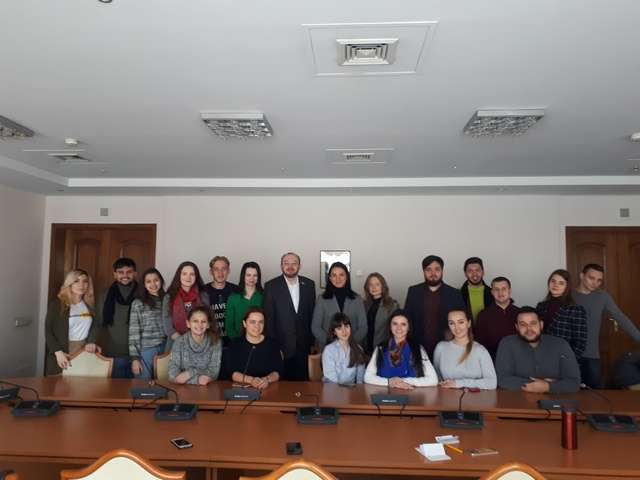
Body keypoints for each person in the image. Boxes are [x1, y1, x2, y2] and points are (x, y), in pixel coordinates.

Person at [574, 263, 640, 388]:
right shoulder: (569, 295)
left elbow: (621, 318)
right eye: (591, 278)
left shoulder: (602, 296)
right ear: (582, 276)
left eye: (599, 280)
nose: (595, 283)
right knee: (569, 394)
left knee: (595, 394)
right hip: (569, 355)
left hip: (592, 355)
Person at [495, 306, 581, 393]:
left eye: (533, 323)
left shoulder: (561, 344)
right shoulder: (507, 343)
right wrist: (543, 385)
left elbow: (574, 383)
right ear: (517, 327)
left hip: (555, 399)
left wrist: (547, 387)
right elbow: (502, 379)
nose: (529, 329)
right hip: (517, 398)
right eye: (523, 324)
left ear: (541, 325)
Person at [264, 252, 316, 380]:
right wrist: (274, 347)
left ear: (300, 266)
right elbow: (269, 320)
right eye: (286, 263)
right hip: (281, 347)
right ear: (281, 266)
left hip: (304, 347)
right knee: (282, 385)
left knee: (303, 384)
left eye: (294, 263)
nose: (290, 266)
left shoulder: (309, 285)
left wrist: (312, 343)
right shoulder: (271, 286)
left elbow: (311, 315)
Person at [404, 255, 466, 359]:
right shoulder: (413, 291)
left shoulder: (455, 294)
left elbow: (463, 321)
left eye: (437, 269)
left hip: (448, 348)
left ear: (442, 271)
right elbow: (406, 320)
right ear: (423, 271)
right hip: (418, 349)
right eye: (429, 269)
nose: (433, 273)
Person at [45, 269, 100, 375]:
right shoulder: (57, 305)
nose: (81, 285)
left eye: (85, 281)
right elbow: (48, 331)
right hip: (63, 351)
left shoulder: (89, 305)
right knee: (59, 383)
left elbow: (95, 326)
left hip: (84, 351)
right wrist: (58, 352)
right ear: (69, 283)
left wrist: (91, 342)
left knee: (81, 383)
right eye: (76, 281)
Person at [364, 310, 438, 388]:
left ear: (409, 327)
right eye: (395, 324)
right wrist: (388, 382)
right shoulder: (380, 348)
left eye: (403, 324)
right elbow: (367, 377)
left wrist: (404, 381)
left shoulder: (417, 348)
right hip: (385, 393)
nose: (399, 328)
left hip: (411, 392)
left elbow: (433, 380)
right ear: (390, 327)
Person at [96, 257, 138, 378]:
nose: (125, 275)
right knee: (116, 388)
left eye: (129, 272)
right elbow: (98, 322)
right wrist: (91, 342)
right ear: (114, 274)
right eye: (120, 272)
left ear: (135, 273)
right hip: (114, 353)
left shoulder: (143, 293)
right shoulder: (105, 294)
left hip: (139, 354)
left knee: (138, 388)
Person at [433, 310, 497, 389]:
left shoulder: (480, 350)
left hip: (475, 396)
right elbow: (437, 379)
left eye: (461, 322)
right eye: (452, 323)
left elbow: (491, 383)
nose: (457, 328)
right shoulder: (441, 348)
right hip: (448, 396)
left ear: (469, 323)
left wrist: (457, 383)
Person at [222, 307, 283, 389]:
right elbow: (231, 372)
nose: (257, 326)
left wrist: (266, 380)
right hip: (242, 391)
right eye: (252, 322)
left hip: (268, 388)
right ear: (244, 324)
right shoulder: (234, 345)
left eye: (261, 322)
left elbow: (278, 371)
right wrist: (251, 380)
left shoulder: (273, 344)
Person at [311, 262, 367, 351]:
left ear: (347, 277)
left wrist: (349, 343)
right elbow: (315, 327)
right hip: (328, 348)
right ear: (330, 278)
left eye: (341, 275)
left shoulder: (357, 299)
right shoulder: (321, 299)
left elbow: (363, 327)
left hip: (353, 348)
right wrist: (333, 344)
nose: (338, 278)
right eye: (334, 275)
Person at [536, 269, 587, 360]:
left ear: (567, 286)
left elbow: (580, 342)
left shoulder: (575, 309)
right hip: (542, 356)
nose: (555, 285)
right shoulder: (541, 306)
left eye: (561, 283)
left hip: (564, 358)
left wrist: (568, 360)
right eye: (553, 281)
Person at [129, 268, 168, 379]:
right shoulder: (138, 303)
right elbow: (133, 332)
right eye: (148, 281)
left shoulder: (168, 300)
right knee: (143, 385)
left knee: (166, 384)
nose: (153, 284)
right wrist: (135, 359)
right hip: (147, 349)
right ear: (144, 284)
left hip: (167, 348)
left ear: (161, 281)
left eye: (156, 280)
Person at [168, 307, 222, 385]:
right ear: (188, 324)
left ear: (208, 325)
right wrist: (198, 380)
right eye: (195, 321)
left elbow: (214, 373)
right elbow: (173, 376)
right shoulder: (179, 342)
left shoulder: (216, 342)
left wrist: (190, 373)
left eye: (203, 321)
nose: (199, 325)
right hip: (182, 389)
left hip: (207, 389)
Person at [164, 261, 210, 351]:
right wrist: (186, 343)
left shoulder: (203, 296)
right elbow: (168, 327)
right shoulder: (169, 297)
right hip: (175, 344)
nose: (188, 277)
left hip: (199, 344)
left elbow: (207, 321)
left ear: (196, 277)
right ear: (179, 276)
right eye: (184, 274)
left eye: (192, 274)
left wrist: (194, 343)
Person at [475, 277, 519, 359]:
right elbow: (479, 344)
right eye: (496, 289)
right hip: (492, 360)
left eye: (504, 289)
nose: (500, 292)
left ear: (509, 290)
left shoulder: (520, 313)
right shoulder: (483, 315)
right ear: (492, 292)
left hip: (518, 358)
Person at [322, 313, 367, 384]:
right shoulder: (329, 350)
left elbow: (360, 380)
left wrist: (358, 389)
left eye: (346, 326)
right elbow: (331, 379)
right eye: (339, 328)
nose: (344, 331)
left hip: (351, 389)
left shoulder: (358, 349)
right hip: (332, 388)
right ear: (334, 332)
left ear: (350, 328)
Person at [204, 256, 239, 346]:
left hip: (233, 341)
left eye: (224, 269)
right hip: (210, 341)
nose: (220, 273)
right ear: (211, 272)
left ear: (228, 271)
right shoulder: (203, 291)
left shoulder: (237, 290)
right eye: (216, 269)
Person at [363, 272, 399, 355]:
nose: (374, 287)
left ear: (383, 286)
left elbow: (395, 330)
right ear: (367, 287)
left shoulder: (392, 305)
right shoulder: (363, 304)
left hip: (383, 348)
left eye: (377, 284)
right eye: (371, 285)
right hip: (366, 348)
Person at [225, 261, 264, 340]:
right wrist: (238, 342)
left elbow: (268, 323)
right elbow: (229, 326)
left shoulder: (264, 297)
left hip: (260, 341)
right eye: (248, 275)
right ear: (243, 276)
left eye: (255, 275)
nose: (251, 278)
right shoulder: (233, 298)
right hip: (238, 341)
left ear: (258, 277)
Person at [460, 257, 494, 323]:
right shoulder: (457, 295)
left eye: (477, 270)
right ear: (465, 274)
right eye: (470, 271)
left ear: (483, 272)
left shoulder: (493, 293)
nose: (474, 274)